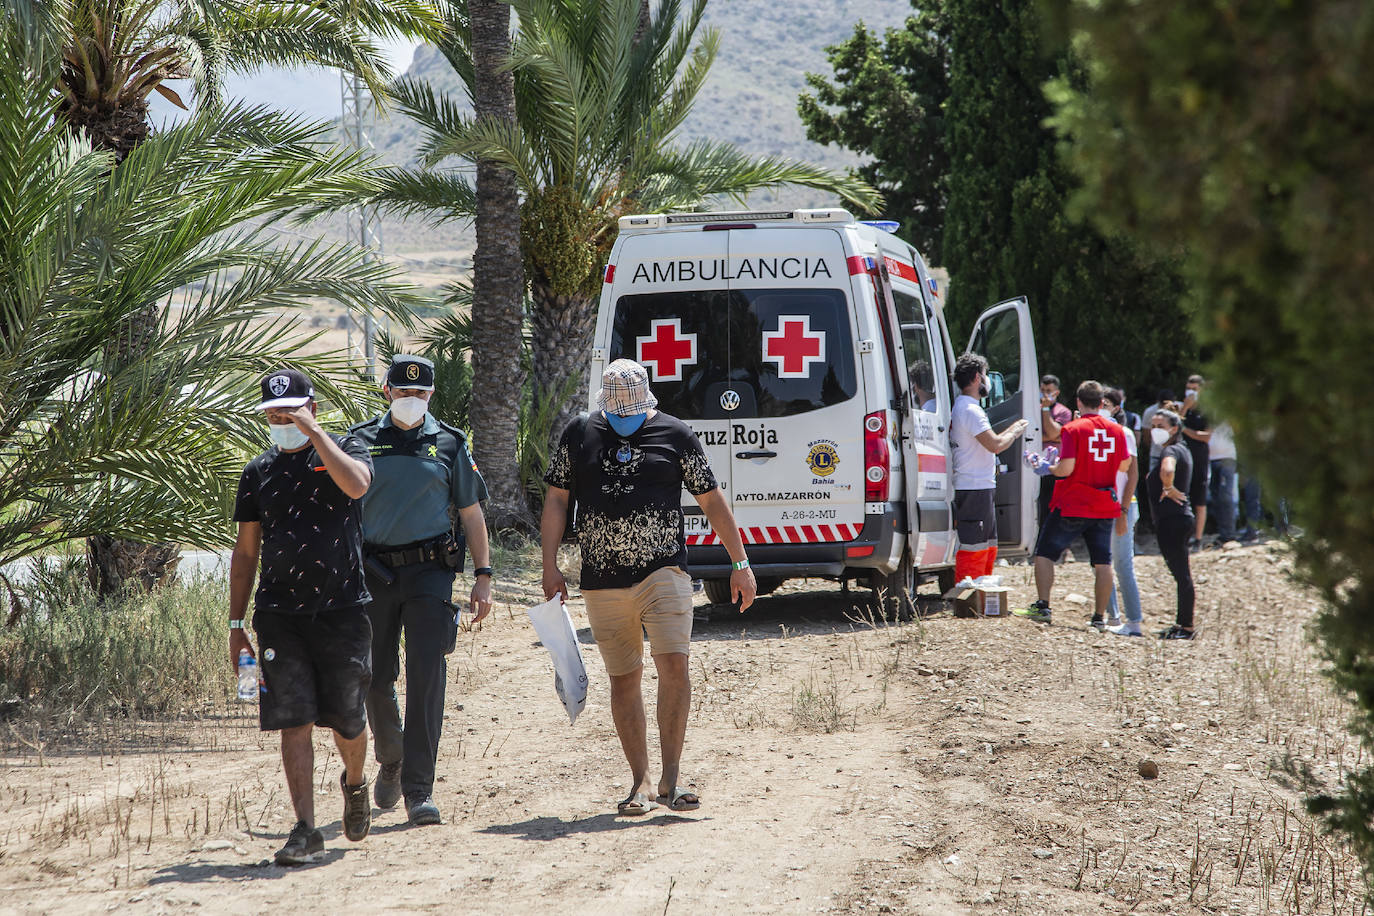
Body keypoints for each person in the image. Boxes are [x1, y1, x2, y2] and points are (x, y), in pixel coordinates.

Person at [540, 359, 756, 815]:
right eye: (617, 419)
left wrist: (740, 562)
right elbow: (558, 499)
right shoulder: (579, 434)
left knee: (674, 665)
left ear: (648, 403)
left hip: (665, 573)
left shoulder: (676, 435)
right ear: (603, 406)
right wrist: (550, 565)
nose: (624, 426)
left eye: (632, 418)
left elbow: (711, 499)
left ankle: (671, 781)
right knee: (624, 680)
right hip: (602, 579)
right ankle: (638, 783)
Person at [229, 368, 375, 865]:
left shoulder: (346, 449)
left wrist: (316, 435)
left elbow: (356, 487)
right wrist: (235, 626)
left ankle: (355, 784)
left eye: (290, 409)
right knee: (294, 721)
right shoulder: (258, 472)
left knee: (348, 720)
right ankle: (305, 829)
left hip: (343, 612)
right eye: (273, 413)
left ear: (313, 406)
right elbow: (246, 552)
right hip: (279, 617)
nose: (282, 419)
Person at [350, 355, 493, 826]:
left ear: (431, 396)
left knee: (427, 676)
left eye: (421, 394)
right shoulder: (360, 440)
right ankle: (391, 753)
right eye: (402, 392)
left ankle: (418, 790)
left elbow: (471, 513)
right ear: (387, 391)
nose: (411, 400)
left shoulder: (450, 442)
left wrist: (484, 575)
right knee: (374, 673)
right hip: (373, 572)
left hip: (431, 572)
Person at [1016, 380, 1131, 625]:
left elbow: (1065, 469)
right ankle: (1100, 618)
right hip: (1104, 504)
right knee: (1103, 562)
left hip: (1073, 502)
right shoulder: (1117, 431)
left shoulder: (1072, 429)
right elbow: (1124, 466)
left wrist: (1047, 467)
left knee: (1045, 554)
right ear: (1101, 403)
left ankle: (1043, 607)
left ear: (1078, 401)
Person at [950, 353, 1028, 612]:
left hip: (979, 485)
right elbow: (994, 444)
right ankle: (967, 599)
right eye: (985, 374)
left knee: (986, 544)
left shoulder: (967, 408)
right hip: (973, 487)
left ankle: (981, 596)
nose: (987, 380)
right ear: (976, 378)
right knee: (974, 545)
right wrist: (1016, 431)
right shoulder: (970, 409)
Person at [1146, 410, 1197, 639]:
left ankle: (1186, 627)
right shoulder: (1183, 449)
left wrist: (1167, 487)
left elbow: (1168, 469)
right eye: (1153, 424)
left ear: (1174, 428)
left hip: (1173, 520)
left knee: (1182, 575)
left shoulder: (1171, 450)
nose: (1155, 428)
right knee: (1181, 574)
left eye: (1160, 424)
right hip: (1178, 519)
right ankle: (1182, 624)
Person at [1102, 393, 1142, 636]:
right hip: (1102, 506)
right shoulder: (1093, 432)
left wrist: (1123, 512)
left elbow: (1132, 475)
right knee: (1102, 562)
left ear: (1116, 408)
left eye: (1105, 404)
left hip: (1122, 507)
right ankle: (1113, 617)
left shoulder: (1124, 433)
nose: (1101, 408)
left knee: (1122, 564)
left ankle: (1134, 621)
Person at [1036, 374, 1074, 526]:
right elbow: (1052, 435)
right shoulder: (1031, 408)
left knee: (1051, 506)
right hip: (1036, 463)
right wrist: (1053, 437)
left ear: (1056, 393)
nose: (1044, 394)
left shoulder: (1063, 412)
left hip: (1054, 467)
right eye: (1042, 390)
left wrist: (1045, 409)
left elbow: (1052, 433)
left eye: (1048, 391)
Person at [1180, 375, 1211, 546]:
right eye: (1188, 388)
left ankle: (1198, 538)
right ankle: (1184, 535)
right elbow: (1174, 428)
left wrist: (1185, 430)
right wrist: (1184, 408)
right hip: (1183, 457)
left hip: (1199, 458)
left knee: (1199, 499)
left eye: (1194, 389)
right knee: (1183, 497)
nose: (1190, 392)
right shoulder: (1182, 407)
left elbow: (1206, 436)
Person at [1207, 419, 1239, 546]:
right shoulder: (1207, 414)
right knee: (1216, 498)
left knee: (1225, 496)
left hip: (1227, 459)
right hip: (1210, 458)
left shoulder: (1229, 413)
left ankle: (1229, 534)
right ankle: (1223, 533)